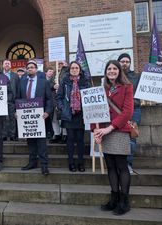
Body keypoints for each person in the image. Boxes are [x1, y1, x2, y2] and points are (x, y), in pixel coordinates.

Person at [93, 60, 133, 215]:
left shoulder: (127, 87)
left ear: (119, 71)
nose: (111, 71)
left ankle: (124, 201)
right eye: (109, 69)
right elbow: (94, 111)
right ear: (106, 71)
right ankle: (114, 198)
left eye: (114, 69)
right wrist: (95, 132)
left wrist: (110, 127)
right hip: (103, 131)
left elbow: (127, 112)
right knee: (110, 166)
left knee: (121, 166)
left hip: (119, 130)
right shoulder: (102, 88)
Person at [17, 60, 53, 175]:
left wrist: (47, 112)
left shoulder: (44, 83)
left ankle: (44, 165)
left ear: (36, 69)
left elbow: (49, 100)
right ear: (26, 70)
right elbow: (17, 98)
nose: (30, 69)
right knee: (30, 141)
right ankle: (32, 162)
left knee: (41, 142)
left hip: (40, 116)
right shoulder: (22, 82)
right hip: (27, 117)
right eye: (28, 68)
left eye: (32, 67)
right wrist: (16, 111)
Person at [56, 61, 90, 172]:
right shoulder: (64, 82)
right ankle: (71, 162)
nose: (74, 70)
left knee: (80, 139)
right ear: (69, 70)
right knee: (70, 139)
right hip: (68, 114)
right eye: (72, 68)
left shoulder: (85, 82)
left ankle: (81, 162)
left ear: (80, 70)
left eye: (76, 68)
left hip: (81, 114)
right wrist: (62, 107)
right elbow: (59, 97)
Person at [118, 53, 141, 174]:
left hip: (134, 110)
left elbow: (151, 78)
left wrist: (157, 67)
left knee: (132, 139)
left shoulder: (136, 76)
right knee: (119, 138)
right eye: (122, 61)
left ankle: (128, 165)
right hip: (118, 111)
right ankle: (120, 165)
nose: (125, 63)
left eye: (127, 61)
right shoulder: (115, 76)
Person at [2, 59, 19, 141]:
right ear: (3, 65)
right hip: (1, 100)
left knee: (12, 118)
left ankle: (12, 135)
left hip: (12, 99)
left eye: (8, 63)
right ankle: (4, 135)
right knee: (3, 118)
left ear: (11, 65)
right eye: (5, 63)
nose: (7, 65)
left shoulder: (15, 75)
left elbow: (18, 87)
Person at [45, 67, 56, 139]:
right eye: (49, 71)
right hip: (44, 102)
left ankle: (52, 133)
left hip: (52, 102)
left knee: (51, 118)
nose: (51, 73)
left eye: (52, 72)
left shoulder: (54, 80)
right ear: (46, 72)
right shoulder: (42, 79)